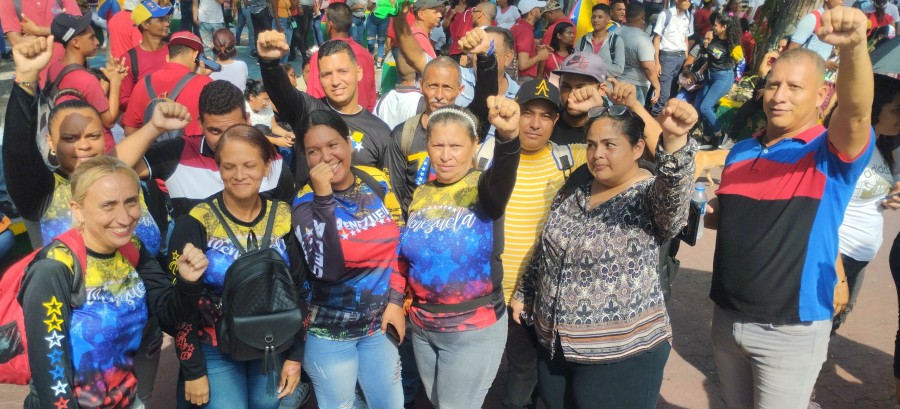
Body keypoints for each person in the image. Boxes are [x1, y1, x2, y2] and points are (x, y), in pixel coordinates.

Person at [705, 7, 875, 408]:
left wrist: (853, 48)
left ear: (822, 95)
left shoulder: (830, 154)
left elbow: (856, 113)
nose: (779, 96)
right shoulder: (742, 151)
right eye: (773, 85)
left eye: (794, 87)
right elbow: (729, 217)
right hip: (726, 318)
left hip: (789, 328)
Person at [512, 96, 697, 408]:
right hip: (555, 348)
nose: (597, 154)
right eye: (591, 144)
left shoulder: (647, 197)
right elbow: (547, 245)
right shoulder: (579, 187)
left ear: (637, 148)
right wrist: (525, 291)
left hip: (620, 356)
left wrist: (675, 140)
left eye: (610, 145)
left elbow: (674, 196)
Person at [20, 155, 207, 409]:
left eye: (131, 201)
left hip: (127, 400)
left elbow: (169, 314)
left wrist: (187, 283)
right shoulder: (54, 268)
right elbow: (49, 366)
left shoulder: (133, 249)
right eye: (108, 205)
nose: (124, 217)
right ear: (78, 209)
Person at [166, 125, 303, 408]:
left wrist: (295, 356)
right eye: (229, 166)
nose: (239, 175)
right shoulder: (196, 220)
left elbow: (301, 287)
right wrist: (193, 369)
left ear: (266, 166)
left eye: (249, 165)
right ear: (219, 168)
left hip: (272, 340)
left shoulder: (284, 216)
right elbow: (180, 300)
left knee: (267, 405)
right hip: (214, 345)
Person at [397, 100, 520, 408]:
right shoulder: (422, 193)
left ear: (474, 144)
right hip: (423, 327)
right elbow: (405, 255)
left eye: (455, 146)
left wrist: (507, 139)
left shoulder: (485, 187)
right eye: (438, 145)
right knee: (439, 401)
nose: (445, 155)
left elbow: (504, 173)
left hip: (472, 328)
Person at [292, 109, 406, 409]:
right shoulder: (304, 204)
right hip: (329, 335)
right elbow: (326, 269)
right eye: (313, 151)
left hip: (378, 328)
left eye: (333, 145)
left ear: (348, 143)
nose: (326, 157)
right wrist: (323, 198)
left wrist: (396, 301)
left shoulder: (375, 182)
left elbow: (397, 246)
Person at [498, 79, 586, 409]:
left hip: (538, 296)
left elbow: (627, 148)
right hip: (487, 292)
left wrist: (595, 110)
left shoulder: (570, 159)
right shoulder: (489, 156)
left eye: (546, 116)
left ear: (556, 121)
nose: (535, 124)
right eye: (528, 113)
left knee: (526, 376)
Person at [114, 80, 295, 221]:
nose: (225, 140)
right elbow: (111, 167)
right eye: (215, 131)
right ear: (200, 124)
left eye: (232, 129)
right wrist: (153, 128)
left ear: (248, 120)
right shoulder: (179, 153)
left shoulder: (273, 161)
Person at [387, 27, 499, 213]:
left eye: (447, 87)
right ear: (421, 85)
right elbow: (395, 193)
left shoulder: (469, 122)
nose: (439, 95)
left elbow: (487, 95)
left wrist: (485, 57)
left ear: (460, 90)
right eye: (433, 86)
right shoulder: (403, 134)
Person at [257, 32, 392, 185]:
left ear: (358, 72)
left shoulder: (380, 132)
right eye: (327, 74)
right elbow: (281, 92)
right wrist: (269, 64)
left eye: (342, 71)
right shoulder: (307, 111)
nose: (335, 81)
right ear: (319, 78)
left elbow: (387, 189)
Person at [830, 74, 900, 333]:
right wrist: (837, 272)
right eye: (896, 110)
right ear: (874, 105)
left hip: (859, 257)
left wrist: (890, 197)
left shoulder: (883, 147)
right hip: (838, 254)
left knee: (833, 325)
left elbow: (863, 194)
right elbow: (824, 208)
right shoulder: (851, 146)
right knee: (815, 327)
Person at [47, 13, 127, 152]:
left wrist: (104, 84)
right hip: (100, 149)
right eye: (91, 37)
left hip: (75, 143)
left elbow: (84, 100)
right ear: (75, 42)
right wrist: (116, 82)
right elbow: (109, 121)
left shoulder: (54, 68)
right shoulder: (87, 79)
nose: (97, 42)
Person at [550, 52, 662, 148]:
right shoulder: (548, 120)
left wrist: (634, 106)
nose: (572, 94)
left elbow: (661, 151)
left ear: (601, 90)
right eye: (566, 86)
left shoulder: (617, 124)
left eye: (581, 88)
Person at [122, 31, 213, 136]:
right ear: (195, 55)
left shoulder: (143, 83)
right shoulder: (205, 83)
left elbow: (129, 130)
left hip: (153, 146)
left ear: (167, 57)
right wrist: (203, 77)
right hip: (190, 146)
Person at [306, 3, 377, 112]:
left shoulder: (322, 55)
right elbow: (371, 97)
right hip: (362, 117)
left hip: (333, 119)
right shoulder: (365, 54)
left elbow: (314, 97)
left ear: (330, 24)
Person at [693, 14, 742, 150]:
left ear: (724, 27)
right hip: (710, 76)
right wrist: (702, 70)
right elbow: (711, 59)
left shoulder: (733, 46)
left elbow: (742, 63)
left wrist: (736, 81)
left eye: (716, 25)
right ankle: (707, 138)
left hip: (723, 77)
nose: (713, 27)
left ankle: (720, 134)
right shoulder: (715, 39)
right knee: (703, 107)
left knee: (705, 107)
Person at [0, 0, 80, 82]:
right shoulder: (8, 1)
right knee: (22, 85)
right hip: (31, 79)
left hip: (72, 73)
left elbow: (78, 27)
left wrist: (38, 31)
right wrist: (63, 31)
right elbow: (16, 42)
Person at [120, 0, 173, 113]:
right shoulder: (129, 59)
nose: (167, 24)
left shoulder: (174, 50)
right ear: (145, 24)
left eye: (166, 19)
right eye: (161, 20)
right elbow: (123, 100)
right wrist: (152, 106)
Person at [651, 0, 693, 116]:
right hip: (667, 57)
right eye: (685, 0)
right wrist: (657, 62)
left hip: (680, 57)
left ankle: (665, 118)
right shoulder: (665, 15)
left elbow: (685, 38)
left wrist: (685, 57)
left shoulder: (689, 17)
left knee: (674, 90)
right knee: (664, 94)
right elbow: (657, 38)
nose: (688, 2)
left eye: (689, 1)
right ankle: (654, 117)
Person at [617, 3, 661, 107]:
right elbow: (648, 67)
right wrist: (657, 86)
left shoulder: (614, 32)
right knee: (634, 115)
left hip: (615, 82)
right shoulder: (642, 39)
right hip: (636, 87)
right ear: (642, 17)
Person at [245, 78, 295, 157]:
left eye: (268, 100)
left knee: (290, 149)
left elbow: (274, 127)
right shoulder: (244, 109)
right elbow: (249, 135)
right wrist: (276, 141)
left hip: (270, 138)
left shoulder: (267, 106)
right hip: (254, 145)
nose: (266, 103)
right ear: (252, 97)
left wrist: (286, 134)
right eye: (264, 100)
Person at [574, 4, 625, 79]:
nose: (596, 20)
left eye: (600, 17)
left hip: (605, 85)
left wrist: (592, 67)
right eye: (593, 17)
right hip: (584, 84)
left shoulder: (616, 40)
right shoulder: (583, 40)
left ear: (608, 19)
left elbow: (618, 69)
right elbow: (574, 64)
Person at [789, 0, 843, 66]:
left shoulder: (832, 25)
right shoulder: (812, 19)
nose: (843, 1)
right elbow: (792, 51)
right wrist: (824, 64)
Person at [510, 0, 550, 82]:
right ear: (532, 11)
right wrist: (540, 56)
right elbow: (523, 65)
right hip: (523, 79)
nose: (540, 10)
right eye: (538, 8)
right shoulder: (525, 31)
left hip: (517, 78)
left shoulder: (516, 27)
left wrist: (535, 47)